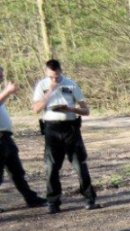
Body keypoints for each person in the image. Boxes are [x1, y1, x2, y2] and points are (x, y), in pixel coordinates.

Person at [31, 59, 100, 213]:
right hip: (51, 129)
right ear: (46, 73)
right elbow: (36, 108)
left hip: (71, 128)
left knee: (79, 165)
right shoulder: (42, 85)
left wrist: (70, 109)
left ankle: (90, 199)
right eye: (51, 77)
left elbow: (86, 111)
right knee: (51, 167)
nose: (54, 79)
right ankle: (53, 202)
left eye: (57, 76)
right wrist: (50, 91)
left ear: (61, 71)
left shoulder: (71, 84)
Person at [0, 65, 47, 211]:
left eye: (1, 74)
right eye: (0, 75)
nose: (2, 77)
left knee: (17, 172)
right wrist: (7, 92)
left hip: (6, 138)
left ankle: (31, 198)